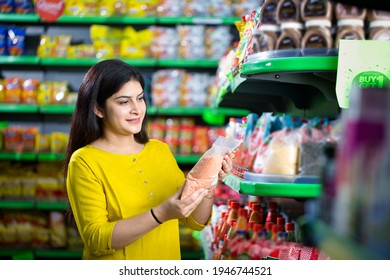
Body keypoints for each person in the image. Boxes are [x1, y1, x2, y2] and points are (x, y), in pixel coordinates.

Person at [63, 59, 234, 260]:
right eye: (124, 102)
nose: (137, 109)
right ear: (98, 109)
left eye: (140, 98)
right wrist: (160, 214)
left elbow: (195, 221)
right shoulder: (84, 161)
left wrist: (208, 181)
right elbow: (96, 239)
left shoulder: (159, 151)